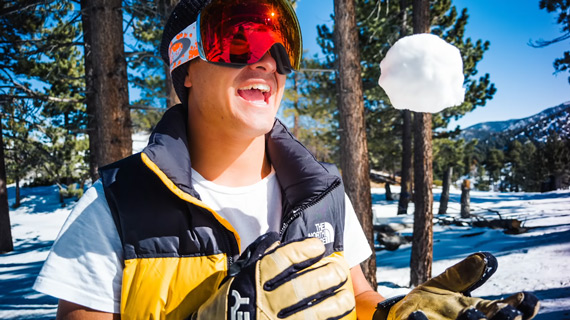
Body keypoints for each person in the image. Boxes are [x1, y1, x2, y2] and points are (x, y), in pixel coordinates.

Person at [33, 0, 541, 319]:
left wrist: (391, 315)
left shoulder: (322, 195)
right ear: (184, 64)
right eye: (240, 35)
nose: (267, 60)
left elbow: (357, 297)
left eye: (282, 44)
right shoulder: (116, 205)